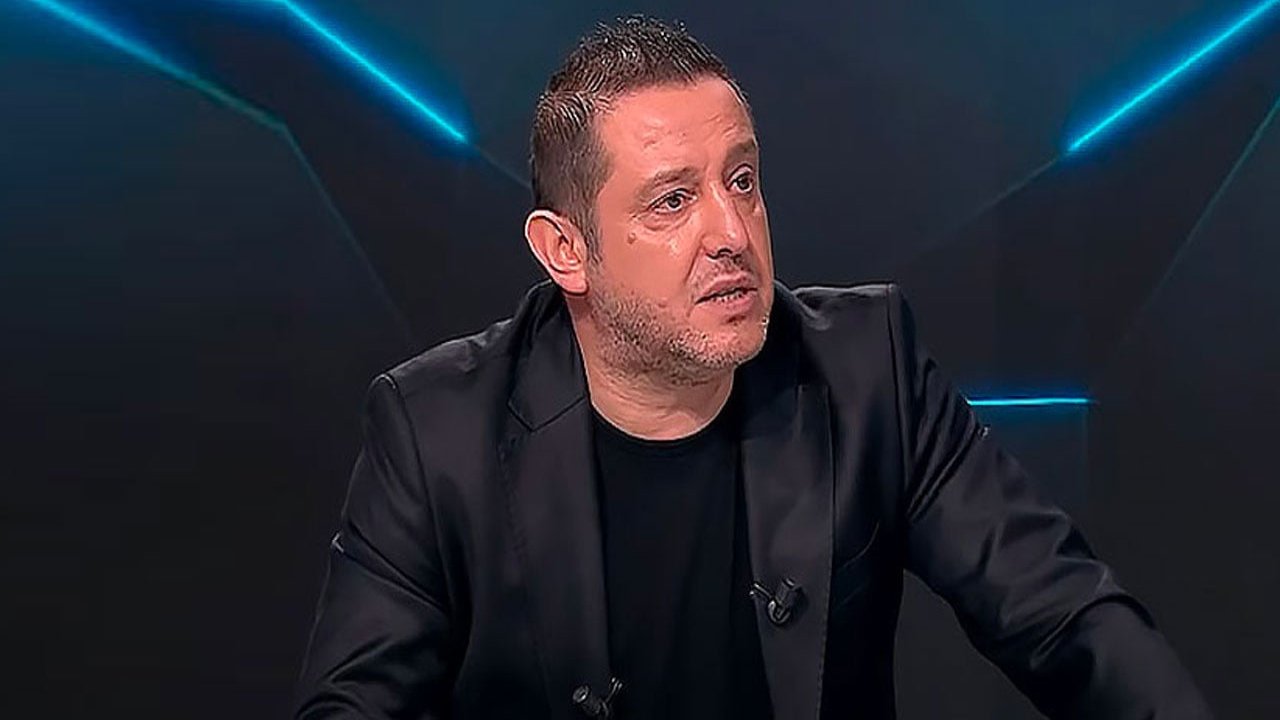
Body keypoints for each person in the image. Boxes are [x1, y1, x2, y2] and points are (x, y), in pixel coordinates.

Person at [295, 16, 1211, 720]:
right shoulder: (436, 432)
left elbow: (1066, 618)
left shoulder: (867, 371)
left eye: (741, 180)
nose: (731, 232)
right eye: (672, 201)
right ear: (565, 250)